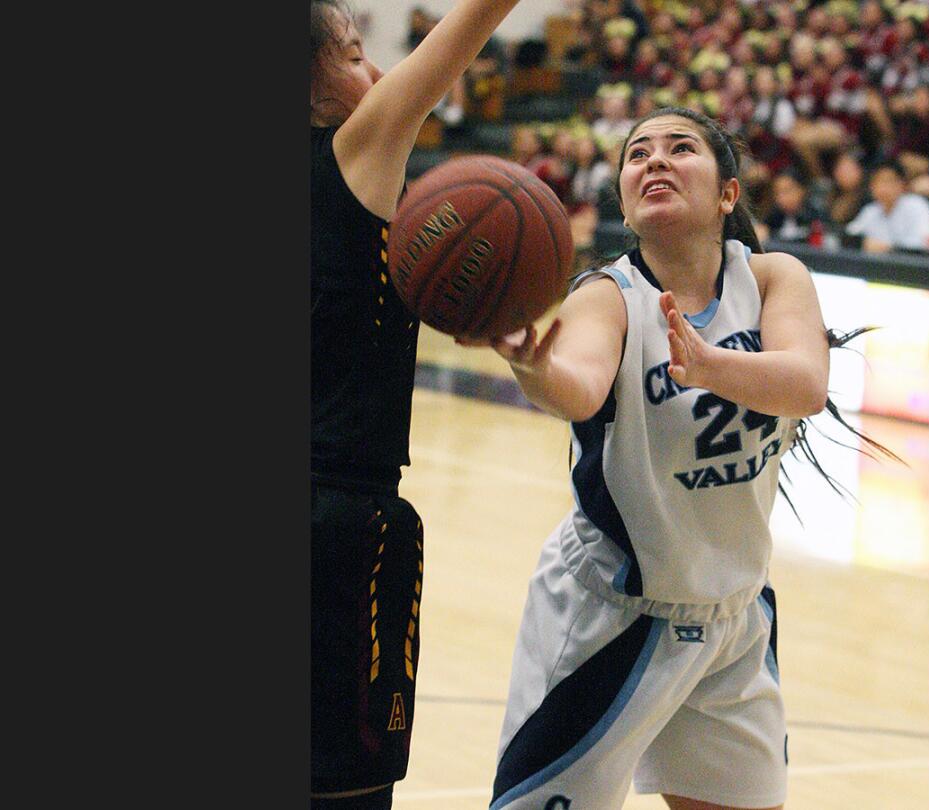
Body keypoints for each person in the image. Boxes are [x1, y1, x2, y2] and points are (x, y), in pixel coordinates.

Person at [465, 107, 887, 810]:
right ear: (627, 205)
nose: (654, 161)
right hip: (611, 618)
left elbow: (806, 385)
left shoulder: (776, 277)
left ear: (727, 193)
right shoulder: (608, 295)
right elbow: (580, 386)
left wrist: (709, 363)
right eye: (638, 155)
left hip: (733, 619)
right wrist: (534, 367)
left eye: (680, 148)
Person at [309, 1, 522, 806]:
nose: (374, 74)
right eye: (357, 52)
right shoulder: (354, 147)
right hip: (336, 526)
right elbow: (464, 32)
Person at [843, 159, 929, 253]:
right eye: (878, 181)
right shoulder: (871, 211)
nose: (883, 187)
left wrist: (889, 248)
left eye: (888, 181)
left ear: (902, 184)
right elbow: (848, 236)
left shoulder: (916, 205)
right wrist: (862, 242)